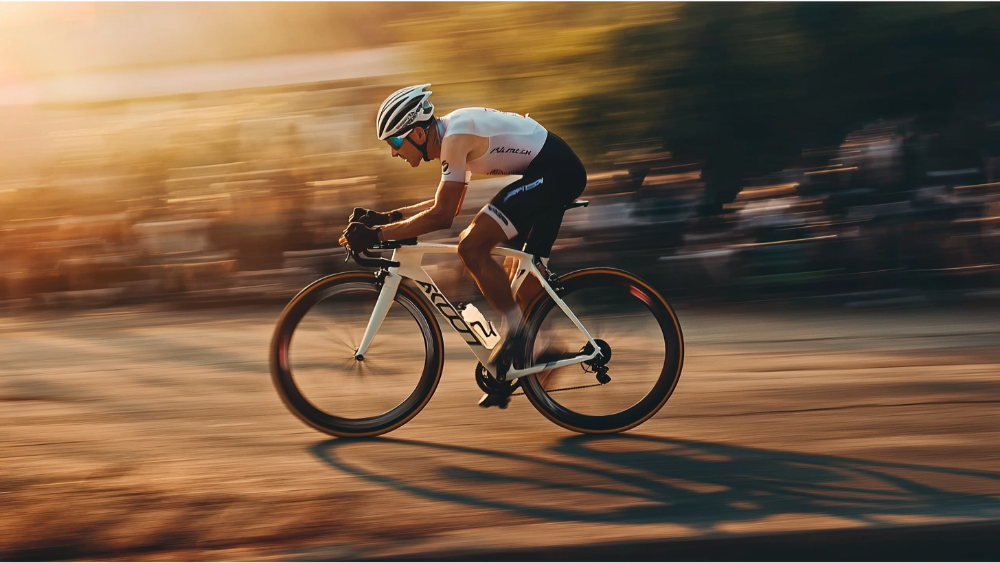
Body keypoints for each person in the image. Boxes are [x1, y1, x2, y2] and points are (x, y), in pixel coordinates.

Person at [339, 84, 587, 407]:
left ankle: (517, 333)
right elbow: (445, 204)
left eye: (395, 141)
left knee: (470, 246)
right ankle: (546, 349)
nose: (393, 152)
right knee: (522, 278)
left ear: (416, 133)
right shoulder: (451, 137)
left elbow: (442, 217)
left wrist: (378, 235)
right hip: (552, 172)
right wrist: (384, 218)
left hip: (555, 173)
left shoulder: (455, 138)